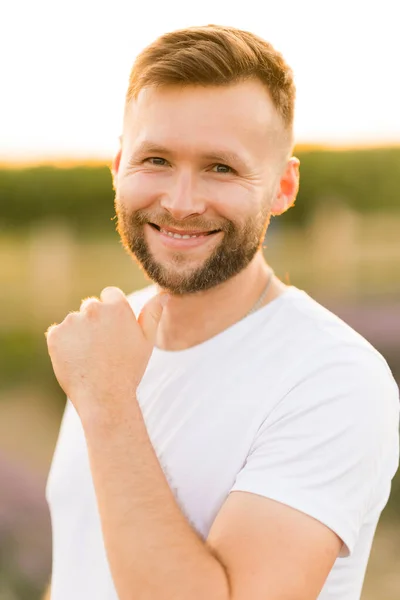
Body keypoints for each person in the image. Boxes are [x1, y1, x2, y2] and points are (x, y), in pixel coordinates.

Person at [44, 24, 399, 600]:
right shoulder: (106, 343)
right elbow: (80, 571)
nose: (181, 202)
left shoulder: (333, 378)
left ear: (283, 186)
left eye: (221, 168)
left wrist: (108, 404)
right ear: (117, 169)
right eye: (155, 159)